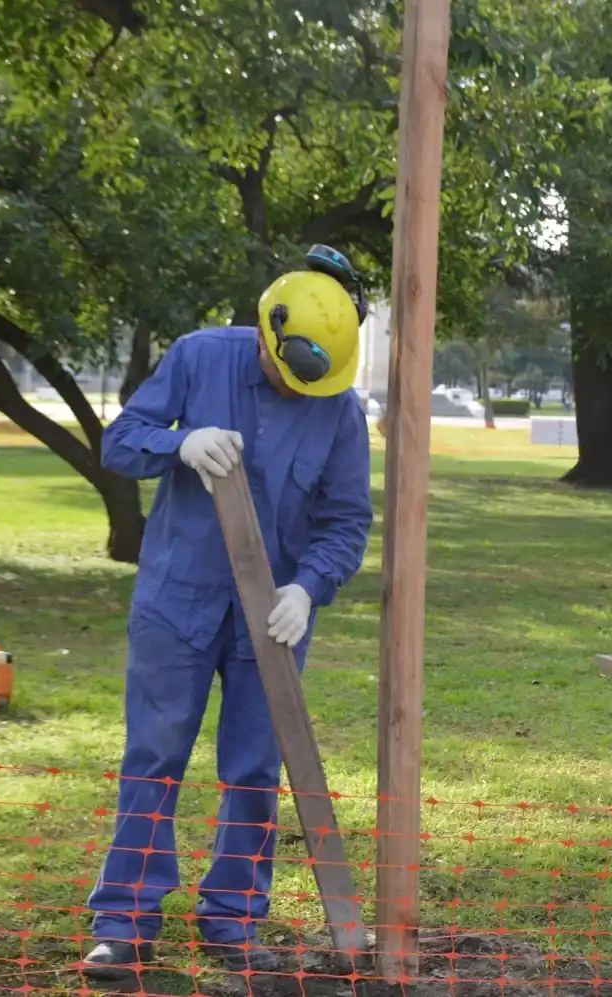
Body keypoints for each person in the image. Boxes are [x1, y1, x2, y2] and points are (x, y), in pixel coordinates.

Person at [82, 246, 374, 979]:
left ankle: (232, 919)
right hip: (176, 601)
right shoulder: (199, 357)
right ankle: (124, 922)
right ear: (266, 334)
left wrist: (308, 588)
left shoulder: (338, 408)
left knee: (253, 768)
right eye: (282, 369)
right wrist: (181, 442)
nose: (292, 387)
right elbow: (121, 443)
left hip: (271, 620)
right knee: (154, 756)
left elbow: (346, 521)